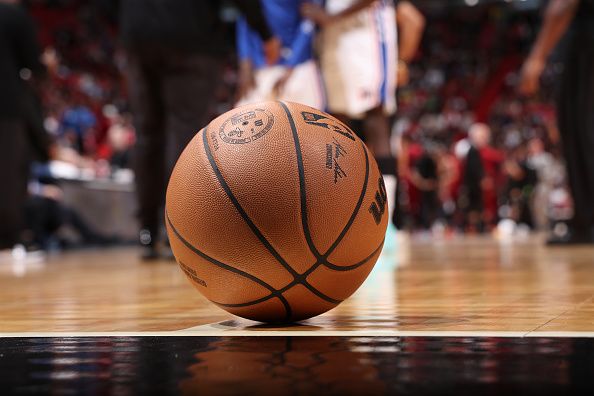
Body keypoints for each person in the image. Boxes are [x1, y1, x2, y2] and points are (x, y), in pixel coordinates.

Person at [112, 0, 281, 260]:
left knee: (147, 134)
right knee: (185, 132)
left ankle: (147, 230)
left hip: (139, 35)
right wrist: (266, 33)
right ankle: (179, 231)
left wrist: (130, 24)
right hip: (194, 37)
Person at [302, 0, 424, 252]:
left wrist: (400, 62)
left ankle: (385, 223)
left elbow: (414, 21)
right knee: (337, 130)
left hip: (365, 40)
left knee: (375, 122)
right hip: (334, 43)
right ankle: (343, 218)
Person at [519, 0, 594, 244]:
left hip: (586, 41)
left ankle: (587, 221)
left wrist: (537, 56)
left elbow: (564, 3)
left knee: (581, 129)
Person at [0, 0, 48, 252]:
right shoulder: (14, 15)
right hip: (5, 107)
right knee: (8, 174)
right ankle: (7, 240)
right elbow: (35, 65)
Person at [236, 0, 325, 110]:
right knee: (249, 120)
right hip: (262, 65)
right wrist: (245, 61)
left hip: (299, 66)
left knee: (307, 121)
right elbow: (246, 16)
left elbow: (308, 22)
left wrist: (291, 64)